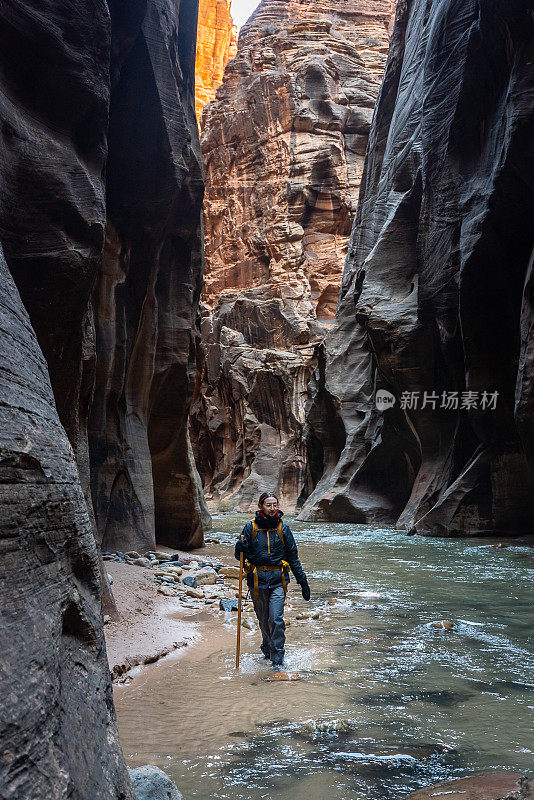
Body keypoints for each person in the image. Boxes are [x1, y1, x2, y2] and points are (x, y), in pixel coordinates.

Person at [235, 492, 311, 670]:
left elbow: (293, 557)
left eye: (275, 504)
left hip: (278, 581)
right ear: (261, 506)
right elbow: (239, 556)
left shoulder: (283, 529)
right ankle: (267, 649)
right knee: (263, 620)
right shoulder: (250, 528)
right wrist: (239, 548)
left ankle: (277, 659)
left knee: (276, 619)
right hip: (256, 582)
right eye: (268, 505)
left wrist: (302, 581)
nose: (272, 508)